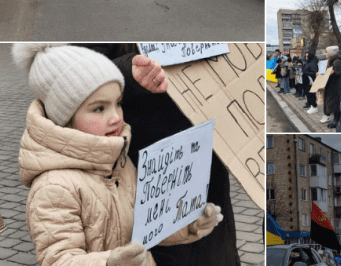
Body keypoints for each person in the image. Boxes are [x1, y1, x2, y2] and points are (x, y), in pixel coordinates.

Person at [14, 44, 223, 266]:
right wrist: (109, 263)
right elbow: (58, 260)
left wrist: (188, 223)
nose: (115, 117)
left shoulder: (119, 162)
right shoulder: (53, 187)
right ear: (65, 117)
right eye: (99, 109)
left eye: (118, 103)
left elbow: (144, 227)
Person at [72, 44, 242, 266]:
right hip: (145, 160)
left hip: (204, 150)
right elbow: (76, 71)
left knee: (210, 245)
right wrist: (129, 74)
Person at [320, 46, 341, 129]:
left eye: (327, 52)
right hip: (330, 85)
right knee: (331, 102)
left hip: (335, 86)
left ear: (331, 53)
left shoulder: (337, 61)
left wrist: (333, 72)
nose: (326, 54)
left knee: (336, 103)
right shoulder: (330, 61)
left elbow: (339, 73)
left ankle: (336, 119)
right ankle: (334, 118)